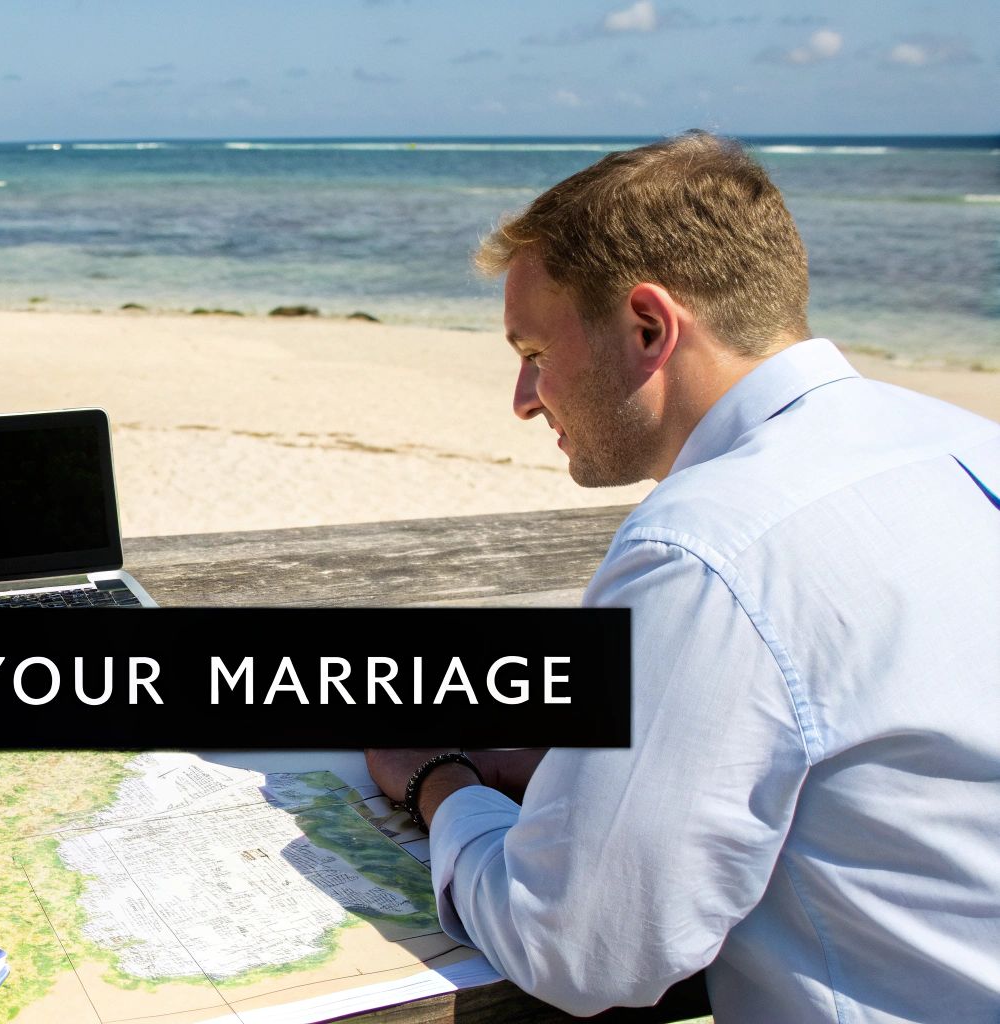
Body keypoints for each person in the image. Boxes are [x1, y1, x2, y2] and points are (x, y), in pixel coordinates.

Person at [367, 131, 1000, 1021]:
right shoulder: (961, 445)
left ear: (649, 328)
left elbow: (580, 951)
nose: (522, 398)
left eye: (536, 353)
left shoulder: (707, 549)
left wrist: (438, 779)